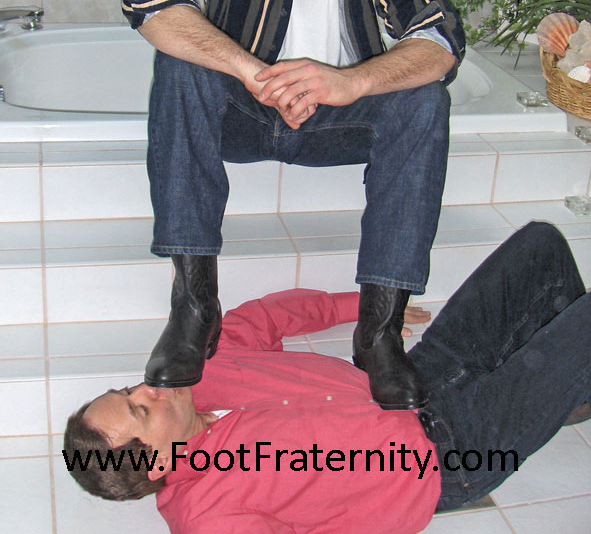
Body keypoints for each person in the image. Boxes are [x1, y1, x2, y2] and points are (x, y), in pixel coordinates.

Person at [122, 0, 466, 409]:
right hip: (243, 112)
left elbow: (441, 38)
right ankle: (195, 306)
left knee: (425, 98)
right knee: (180, 66)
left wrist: (349, 82)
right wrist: (253, 72)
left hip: (338, 121)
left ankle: (380, 331)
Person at [64, 223, 590, 534]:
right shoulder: (208, 512)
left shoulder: (204, 372)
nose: (148, 387)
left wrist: (359, 309)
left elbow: (265, 317)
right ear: (157, 461)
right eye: (140, 408)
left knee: (540, 246)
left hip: (409, 378)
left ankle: (571, 393)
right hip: (449, 457)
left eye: (127, 390)